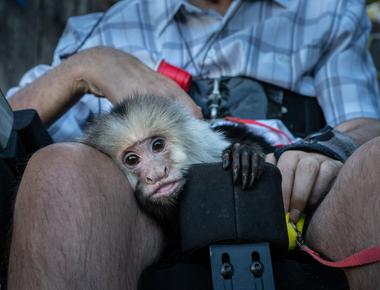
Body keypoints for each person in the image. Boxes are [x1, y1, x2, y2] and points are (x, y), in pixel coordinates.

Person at [5, 0, 380, 289]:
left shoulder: (326, 12)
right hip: (145, 230)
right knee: (56, 171)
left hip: (295, 205)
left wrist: (324, 149)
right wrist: (85, 68)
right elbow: (5, 131)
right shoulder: (96, 31)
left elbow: (367, 126)